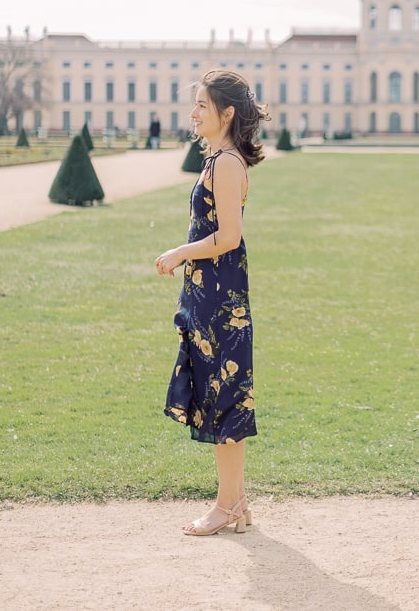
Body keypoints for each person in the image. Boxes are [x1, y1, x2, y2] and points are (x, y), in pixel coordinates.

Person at [155, 70, 270, 536]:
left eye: (202, 104)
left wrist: (182, 252)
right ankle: (235, 503)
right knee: (225, 399)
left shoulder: (225, 164)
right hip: (214, 293)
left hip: (221, 298)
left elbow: (228, 236)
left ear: (226, 113)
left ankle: (226, 506)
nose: (193, 112)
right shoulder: (219, 159)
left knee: (226, 401)